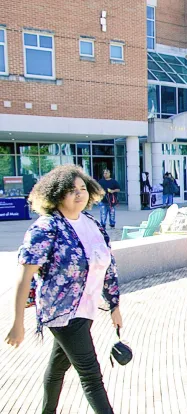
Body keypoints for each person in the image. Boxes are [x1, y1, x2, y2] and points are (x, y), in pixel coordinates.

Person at [5, 165, 122, 413]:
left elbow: (108, 267)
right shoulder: (46, 227)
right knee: (91, 374)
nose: (79, 194)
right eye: (71, 190)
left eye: (82, 189)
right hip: (63, 313)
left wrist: (114, 305)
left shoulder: (92, 224)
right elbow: (25, 276)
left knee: (58, 366)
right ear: (56, 194)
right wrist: (18, 323)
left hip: (86, 309)